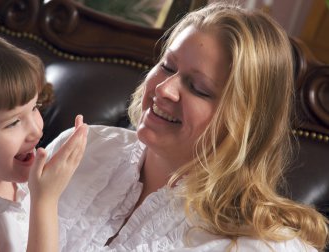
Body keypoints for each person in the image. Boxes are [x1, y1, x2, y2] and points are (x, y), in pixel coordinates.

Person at [46, 2, 329, 252]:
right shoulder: (82, 148)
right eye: (168, 66)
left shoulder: (262, 246)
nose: (165, 89)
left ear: (244, 123)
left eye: (199, 88)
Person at [0, 20, 88, 251]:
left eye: (35, 107)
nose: (36, 130)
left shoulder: (12, 175)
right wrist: (45, 200)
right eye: (13, 122)